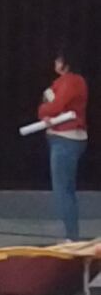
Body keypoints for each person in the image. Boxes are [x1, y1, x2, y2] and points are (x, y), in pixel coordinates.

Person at [38, 47, 89, 242]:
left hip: (65, 139)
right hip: (65, 138)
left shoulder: (70, 81)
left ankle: (71, 237)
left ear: (66, 63)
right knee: (66, 188)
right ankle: (71, 234)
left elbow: (56, 106)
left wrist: (44, 110)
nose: (55, 63)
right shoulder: (71, 82)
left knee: (63, 189)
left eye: (59, 60)